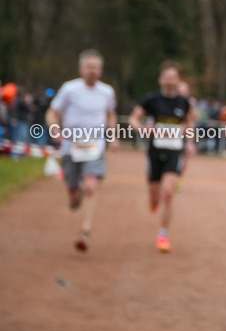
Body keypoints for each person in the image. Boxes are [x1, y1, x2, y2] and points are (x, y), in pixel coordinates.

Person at [45, 50, 119, 252]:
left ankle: (85, 231)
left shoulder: (107, 92)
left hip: (95, 146)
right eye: (89, 67)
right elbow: (52, 112)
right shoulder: (69, 89)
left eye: (96, 67)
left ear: (101, 71)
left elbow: (110, 114)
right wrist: (55, 129)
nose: (92, 71)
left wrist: (113, 136)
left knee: (91, 186)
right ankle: (73, 193)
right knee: (74, 190)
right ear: (81, 69)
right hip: (71, 147)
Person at [129, 61, 195, 252]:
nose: (169, 81)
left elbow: (189, 124)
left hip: (174, 152)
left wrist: (189, 142)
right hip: (155, 152)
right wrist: (142, 129)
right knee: (155, 197)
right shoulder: (152, 100)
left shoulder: (184, 103)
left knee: (168, 192)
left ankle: (163, 235)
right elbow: (134, 118)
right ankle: (153, 201)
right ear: (161, 79)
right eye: (166, 77)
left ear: (177, 80)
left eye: (173, 77)